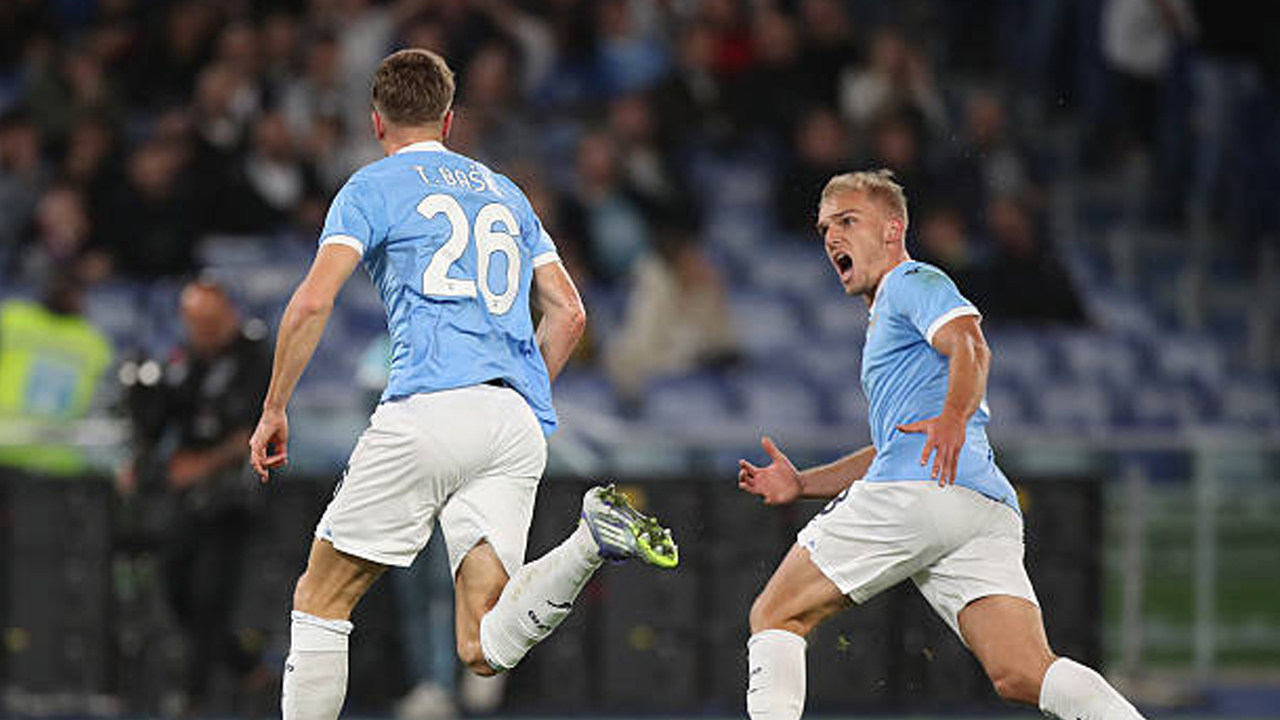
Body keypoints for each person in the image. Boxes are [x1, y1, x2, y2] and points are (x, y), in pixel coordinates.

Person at [247, 48, 679, 720]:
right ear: (449, 121)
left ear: (376, 121)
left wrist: (274, 406)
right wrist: (525, 397)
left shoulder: (372, 187)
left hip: (430, 406)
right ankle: (589, 542)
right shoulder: (506, 192)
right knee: (483, 644)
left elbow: (310, 303)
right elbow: (569, 314)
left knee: (320, 599)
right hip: (512, 421)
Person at [736, 169, 1145, 720]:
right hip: (979, 505)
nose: (832, 236)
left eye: (848, 220)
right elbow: (894, 447)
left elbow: (973, 345)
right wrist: (804, 483)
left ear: (892, 229)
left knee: (775, 614)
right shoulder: (888, 314)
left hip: (919, 494)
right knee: (1022, 670)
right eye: (825, 227)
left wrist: (953, 416)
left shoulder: (914, 281)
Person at [116, 278, 273, 714]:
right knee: (172, 585)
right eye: (193, 322)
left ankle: (193, 698)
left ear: (228, 316)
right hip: (185, 494)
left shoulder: (253, 357)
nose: (201, 331)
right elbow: (163, 416)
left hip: (232, 494)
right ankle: (247, 669)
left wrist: (201, 466)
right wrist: (139, 460)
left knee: (210, 595)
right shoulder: (185, 359)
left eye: (209, 322)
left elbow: (252, 428)